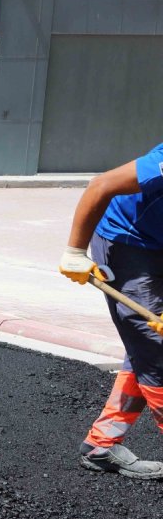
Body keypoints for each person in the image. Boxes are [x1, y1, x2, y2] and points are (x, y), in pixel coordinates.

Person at [59, 145, 163, 479]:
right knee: (156, 353)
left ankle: (101, 445)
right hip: (127, 240)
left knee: (145, 349)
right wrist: (74, 251)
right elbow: (100, 185)